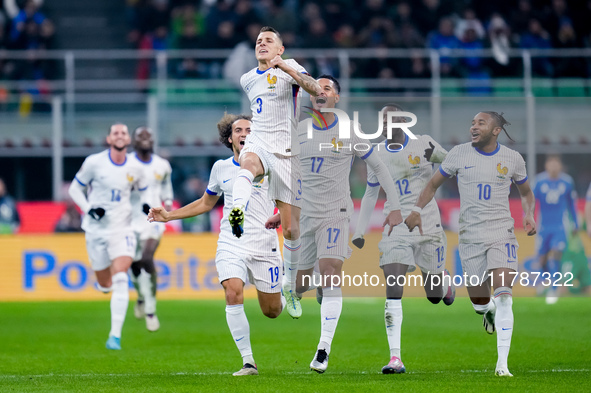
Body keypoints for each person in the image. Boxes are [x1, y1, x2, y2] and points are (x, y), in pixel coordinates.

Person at [266, 76, 403, 374]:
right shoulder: (298, 132)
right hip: (304, 216)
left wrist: (394, 206)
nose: (321, 91)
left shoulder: (350, 132)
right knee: (301, 285)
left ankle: (323, 349)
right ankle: (303, 287)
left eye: (327, 88)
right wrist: (282, 211)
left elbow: (379, 167)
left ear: (336, 98)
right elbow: (290, 175)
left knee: (329, 271)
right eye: (317, 87)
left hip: (337, 213)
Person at [148, 114, 283, 376]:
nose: (244, 133)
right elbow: (206, 203)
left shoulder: (271, 164)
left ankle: (284, 287)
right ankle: (248, 361)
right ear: (229, 138)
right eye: (238, 130)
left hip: (264, 243)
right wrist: (168, 215)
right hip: (231, 240)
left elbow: (289, 197)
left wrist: (282, 217)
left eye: (249, 130)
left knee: (272, 311)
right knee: (232, 291)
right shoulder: (221, 168)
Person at [405, 112, 536, 377]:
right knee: (480, 302)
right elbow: (432, 185)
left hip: (502, 233)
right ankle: (486, 313)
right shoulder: (458, 154)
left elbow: (526, 193)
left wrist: (529, 214)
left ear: (496, 130)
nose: (473, 127)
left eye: (481, 123)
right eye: (472, 123)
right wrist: (417, 209)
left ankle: (502, 365)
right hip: (470, 237)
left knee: (505, 297)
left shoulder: (512, 159)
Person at [352, 103, 456, 375]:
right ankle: (395, 357)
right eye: (382, 120)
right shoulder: (376, 155)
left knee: (433, 296)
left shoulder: (424, 145)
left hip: (428, 225)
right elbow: (370, 194)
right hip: (394, 226)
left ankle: (443, 282)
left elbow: (452, 163)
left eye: (391, 119)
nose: (385, 124)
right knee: (394, 286)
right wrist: (360, 231)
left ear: (403, 122)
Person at [229, 26, 322, 319]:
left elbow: (316, 90)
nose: (262, 44)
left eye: (268, 41)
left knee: (292, 229)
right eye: (258, 41)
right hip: (259, 143)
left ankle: (289, 287)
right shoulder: (247, 78)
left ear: (280, 49)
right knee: (248, 165)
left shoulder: (290, 66)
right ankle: (237, 209)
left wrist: (286, 69)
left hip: (287, 153)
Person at [69, 123, 149, 350]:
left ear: (128, 139)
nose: (120, 136)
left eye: (124, 132)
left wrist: (145, 206)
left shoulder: (136, 166)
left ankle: (114, 336)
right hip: (96, 230)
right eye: (116, 133)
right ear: (108, 138)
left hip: (122, 228)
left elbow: (145, 192)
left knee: (121, 276)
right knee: (105, 283)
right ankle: (105, 286)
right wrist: (88, 208)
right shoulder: (94, 163)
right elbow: (75, 189)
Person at [129, 126, 173, 331]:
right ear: (134, 141)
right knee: (134, 264)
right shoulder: (127, 164)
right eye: (141, 136)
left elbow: (165, 185)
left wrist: (168, 200)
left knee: (147, 258)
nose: (145, 139)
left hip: (153, 218)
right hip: (129, 220)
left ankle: (150, 309)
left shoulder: (162, 165)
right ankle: (140, 295)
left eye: (149, 136)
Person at [532, 155, 578, 304]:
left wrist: (575, 223)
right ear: (546, 166)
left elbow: (572, 204)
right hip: (543, 226)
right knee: (542, 258)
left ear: (560, 166)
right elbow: (530, 201)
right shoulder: (539, 181)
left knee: (556, 255)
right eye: (550, 164)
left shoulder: (567, 181)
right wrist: (528, 217)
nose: (553, 167)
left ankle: (554, 288)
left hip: (560, 226)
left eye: (556, 164)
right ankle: (545, 280)